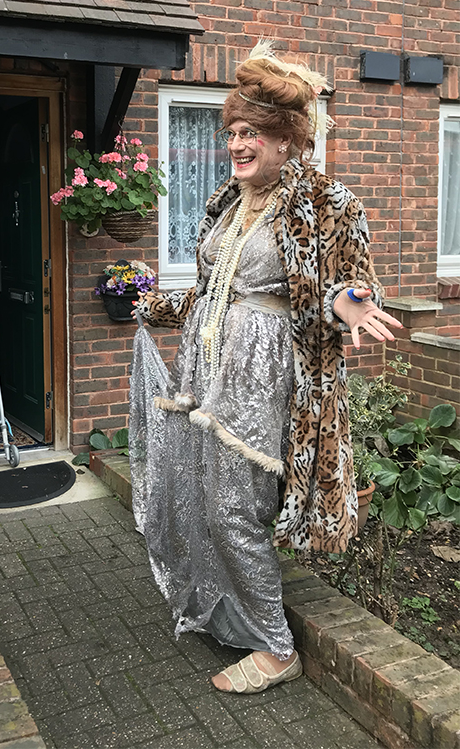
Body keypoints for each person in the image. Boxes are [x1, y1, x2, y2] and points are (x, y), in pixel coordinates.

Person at [129, 42, 402, 694]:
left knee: (232, 511)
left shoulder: (322, 202)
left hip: (263, 381)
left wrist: (354, 305)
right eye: (230, 132)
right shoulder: (230, 202)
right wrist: (160, 306)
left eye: (250, 132)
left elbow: (341, 284)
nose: (235, 143)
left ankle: (277, 649)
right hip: (211, 373)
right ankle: (232, 615)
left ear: (285, 140)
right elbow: (214, 287)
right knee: (206, 501)